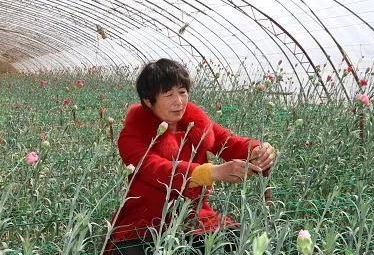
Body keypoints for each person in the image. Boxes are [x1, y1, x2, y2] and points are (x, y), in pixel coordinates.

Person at [107, 58, 276, 255]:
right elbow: (156, 168)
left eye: (182, 92)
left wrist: (258, 150)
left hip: (193, 217)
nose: (178, 102)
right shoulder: (133, 134)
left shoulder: (196, 125)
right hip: (145, 221)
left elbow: (230, 142)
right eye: (169, 94)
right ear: (148, 100)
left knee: (238, 242)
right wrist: (211, 172)